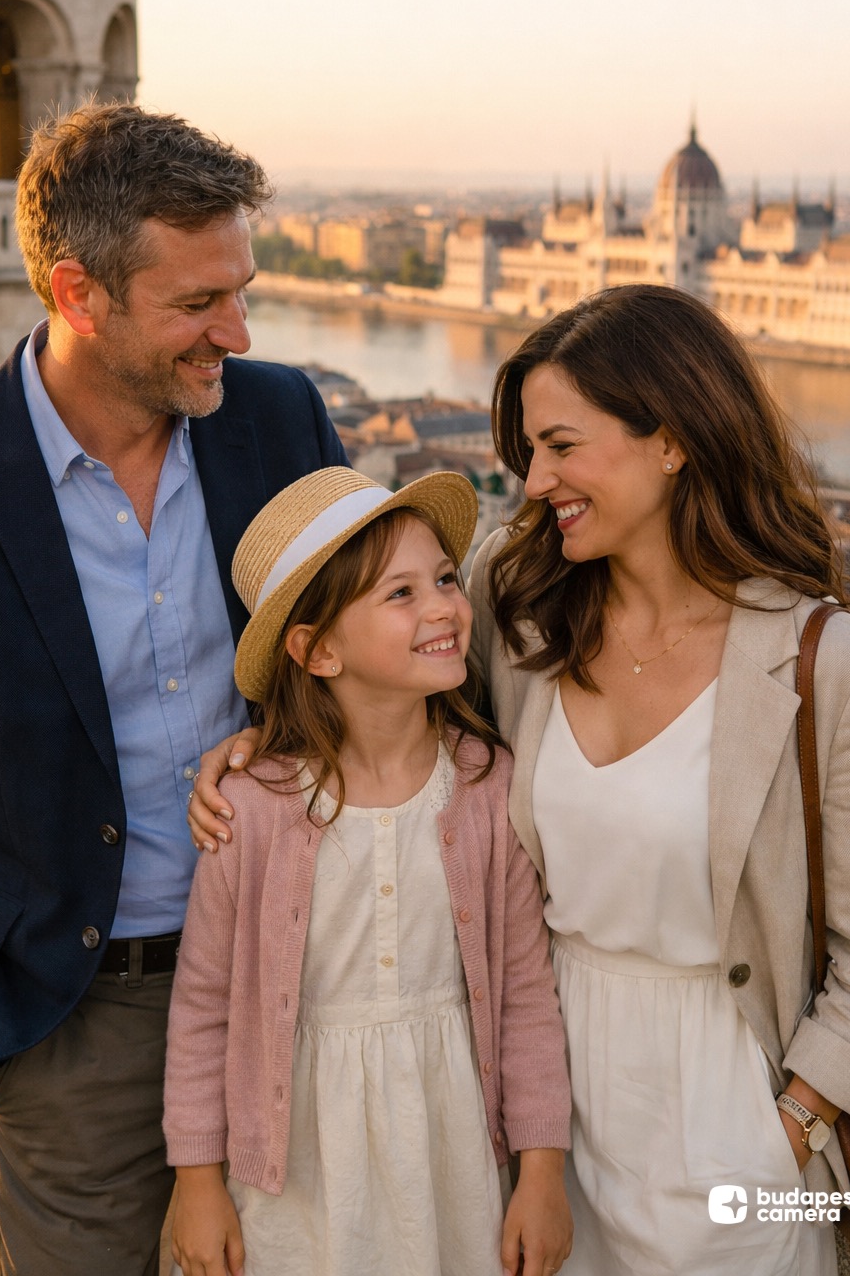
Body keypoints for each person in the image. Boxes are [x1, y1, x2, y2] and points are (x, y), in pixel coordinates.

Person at [191, 285, 850, 1275]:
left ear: (672, 438)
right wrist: (262, 750)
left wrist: (782, 1127)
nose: (534, 481)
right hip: (537, 1113)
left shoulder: (830, 666)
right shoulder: (510, 603)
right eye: (528, 451)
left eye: (561, 446)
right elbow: (381, 700)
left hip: (730, 1108)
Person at [0, 100, 348, 1276]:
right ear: (77, 292)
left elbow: (360, 655)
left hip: (297, 977)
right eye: (197, 304)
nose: (236, 333)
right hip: (79, 1020)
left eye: (241, 289)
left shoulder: (282, 418)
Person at [164, 466, 573, 1276]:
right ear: (315, 649)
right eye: (399, 594)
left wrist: (543, 1172)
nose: (444, 608)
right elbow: (204, 1009)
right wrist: (197, 1181)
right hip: (296, 1174)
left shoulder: (489, 787)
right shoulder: (250, 810)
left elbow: (527, 995)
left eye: (447, 580)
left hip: (449, 1152)